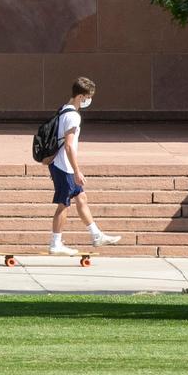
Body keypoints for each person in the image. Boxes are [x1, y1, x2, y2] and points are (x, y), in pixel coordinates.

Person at [48, 75, 122, 256]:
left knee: (81, 198)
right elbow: (68, 145)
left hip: (62, 165)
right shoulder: (73, 116)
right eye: (88, 97)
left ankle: (96, 235)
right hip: (64, 167)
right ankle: (55, 243)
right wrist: (76, 171)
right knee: (63, 205)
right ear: (81, 97)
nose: (89, 101)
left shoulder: (63, 110)